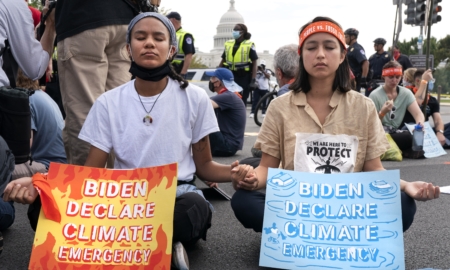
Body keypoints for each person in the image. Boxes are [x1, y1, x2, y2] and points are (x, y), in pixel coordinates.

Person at [3, 13, 239, 270]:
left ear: (171, 50)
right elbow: (90, 174)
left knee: (193, 209)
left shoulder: (195, 98)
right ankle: (161, 245)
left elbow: (204, 167)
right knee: (42, 208)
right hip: (120, 202)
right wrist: (41, 183)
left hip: (175, 195)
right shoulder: (108, 102)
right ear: (128, 49)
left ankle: (113, 244)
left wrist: (235, 173)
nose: (149, 43)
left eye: (158, 38)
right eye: (140, 37)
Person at [230, 17, 439, 238]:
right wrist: (251, 179)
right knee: (244, 200)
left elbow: (373, 170)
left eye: (329, 47)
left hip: (349, 208)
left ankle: (313, 237)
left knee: (403, 205)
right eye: (311, 47)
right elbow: (266, 169)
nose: (320, 54)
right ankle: (312, 238)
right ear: (301, 56)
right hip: (296, 206)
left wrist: (406, 186)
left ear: (342, 56)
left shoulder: (364, 106)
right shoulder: (279, 107)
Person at [55, 0, 136, 166]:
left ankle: (87, 185)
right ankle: (118, 185)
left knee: (85, 114)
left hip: (82, 17)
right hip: (125, 19)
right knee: (118, 115)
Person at [12, 69, 66, 180]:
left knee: (4, 169)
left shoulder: (26, 100)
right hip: (60, 163)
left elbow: (24, 147)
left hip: (48, 167)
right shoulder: (42, 96)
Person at [369, 61, 425, 158]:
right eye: (391, 77)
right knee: (407, 138)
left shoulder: (406, 93)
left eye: (397, 77)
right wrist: (383, 113)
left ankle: (401, 150)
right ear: (384, 77)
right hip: (379, 133)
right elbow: (371, 125)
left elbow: (418, 114)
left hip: (394, 131)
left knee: (416, 138)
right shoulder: (375, 95)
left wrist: (420, 124)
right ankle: (403, 150)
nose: (394, 80)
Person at [401, 69, 447, 146]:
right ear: (418, 81)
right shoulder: (407, 93)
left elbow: (437, 120)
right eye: (430, 80)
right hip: (409, 128)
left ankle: (438, 140)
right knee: (409, 131)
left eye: (431, 80)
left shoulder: (432, 100)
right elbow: (417, 103)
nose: (431, 83)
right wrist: (424, 82)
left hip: (425, 130)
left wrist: (440, 133)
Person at [207, 68, 246, 157]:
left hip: (227, 146)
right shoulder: (230, 95)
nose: (210, 81)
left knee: (202, 119)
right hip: (230, 145)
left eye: (212, 78)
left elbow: (200, 106)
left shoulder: (227, 96)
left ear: (218, 82)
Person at [219, 23, 258, 106]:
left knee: (241, 100)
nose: (234, 32)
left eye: (236, 30)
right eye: (234, 30)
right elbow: (223, 60)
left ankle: (240, 117)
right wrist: (217, 74)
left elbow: (255, 63)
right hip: (230, 76)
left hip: (244, 77)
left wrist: (253, 80)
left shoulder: (249, 45)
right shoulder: (228, 44)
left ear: (242, 32)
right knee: (229, 98)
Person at [167, 11, 195, 78]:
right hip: (168, 70)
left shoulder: (186, 35)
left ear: (173, 20)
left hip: (179, 70)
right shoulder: (169, 34)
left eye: (168, 20)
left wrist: (183, 73)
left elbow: (189, 55)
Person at [344, 28, 368, 92]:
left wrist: (363, 78)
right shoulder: (348, 49)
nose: (345, 39)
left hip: (356, 80)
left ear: (352, 37)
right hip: (348, 79)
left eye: (346, 36)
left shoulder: (357, 48)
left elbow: (365, 62)